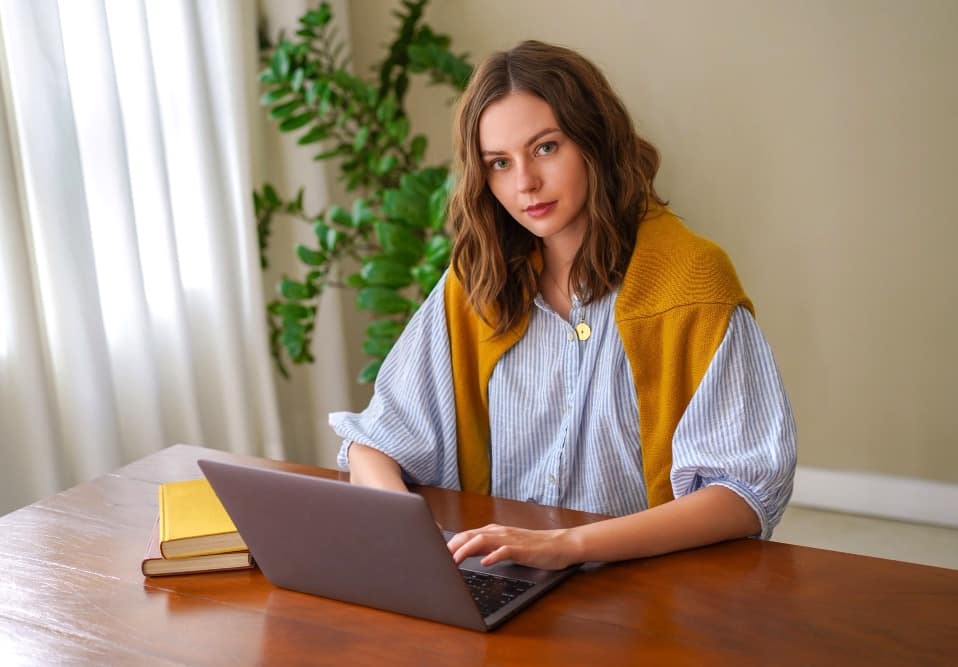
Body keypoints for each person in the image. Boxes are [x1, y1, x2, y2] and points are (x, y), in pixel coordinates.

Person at [330, 40, 796, 570]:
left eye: (546, 148)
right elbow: (375, 443)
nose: (525, 183)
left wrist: (567, 546)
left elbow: (743, 494)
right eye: (499, 163)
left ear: (594, 142)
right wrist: (404, 529)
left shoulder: (691, 281)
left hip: (645, 592)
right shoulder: (477, 283)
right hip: (500, 578)